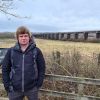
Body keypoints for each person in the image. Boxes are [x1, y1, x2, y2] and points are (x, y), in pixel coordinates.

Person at [2, 26, 45, 100]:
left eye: (26, 36)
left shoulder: (36, 51)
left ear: (29, 37)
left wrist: (39, 83)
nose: (23, 38)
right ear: (17, 38)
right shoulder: (11, 51)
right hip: (14, 89)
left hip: (32, 88)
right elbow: (5, 68)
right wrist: (7, 85)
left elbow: (42, 68)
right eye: (21, 36)